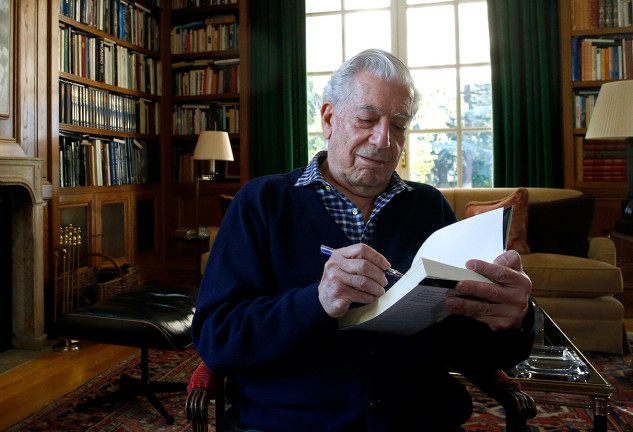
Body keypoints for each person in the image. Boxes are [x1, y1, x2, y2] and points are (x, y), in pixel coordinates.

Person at [192, 48, 534, 432]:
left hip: (417, 422)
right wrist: (317, 302)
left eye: (400, 124)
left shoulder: (429, 208)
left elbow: (473, 349)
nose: (384, 139)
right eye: (367, 118)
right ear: (329, 118)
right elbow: (217, 339)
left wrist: (514, 321)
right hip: (289, 423)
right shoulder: (261, 203)